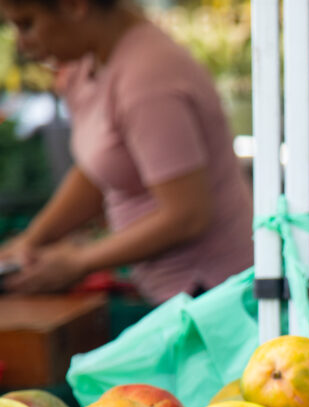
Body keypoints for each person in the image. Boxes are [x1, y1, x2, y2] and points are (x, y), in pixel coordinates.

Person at [0, 0, 253, 304]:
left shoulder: (149, 76)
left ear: (75, 6)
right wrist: (32, 240)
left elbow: (188, 214)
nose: (22, 44)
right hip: (166, 293)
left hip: (213, 296)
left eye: (27, 24)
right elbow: (100, 168)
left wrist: (79, 260)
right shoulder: (88, 63)